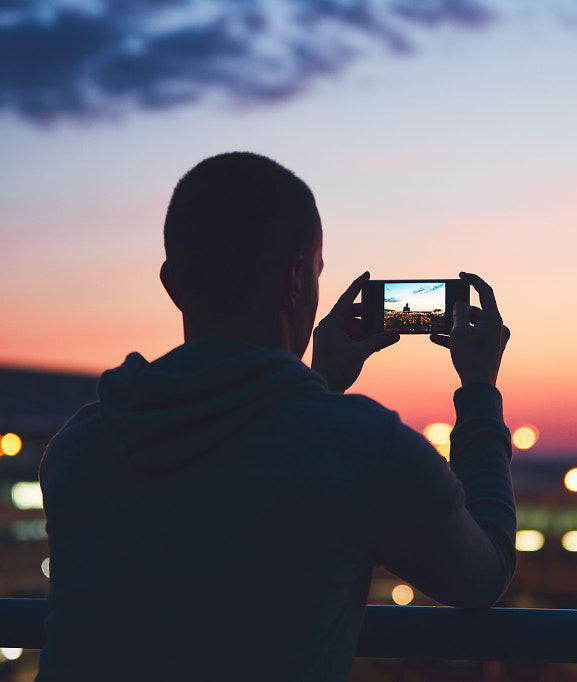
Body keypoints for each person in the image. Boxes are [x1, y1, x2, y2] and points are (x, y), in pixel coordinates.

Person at [36, 152, 516, 681]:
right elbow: (484, 571)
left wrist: (318, 379)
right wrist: (478, 390)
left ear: (172, 284)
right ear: (295, 280)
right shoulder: (366, 450)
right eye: (314, 270)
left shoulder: (78, 448)